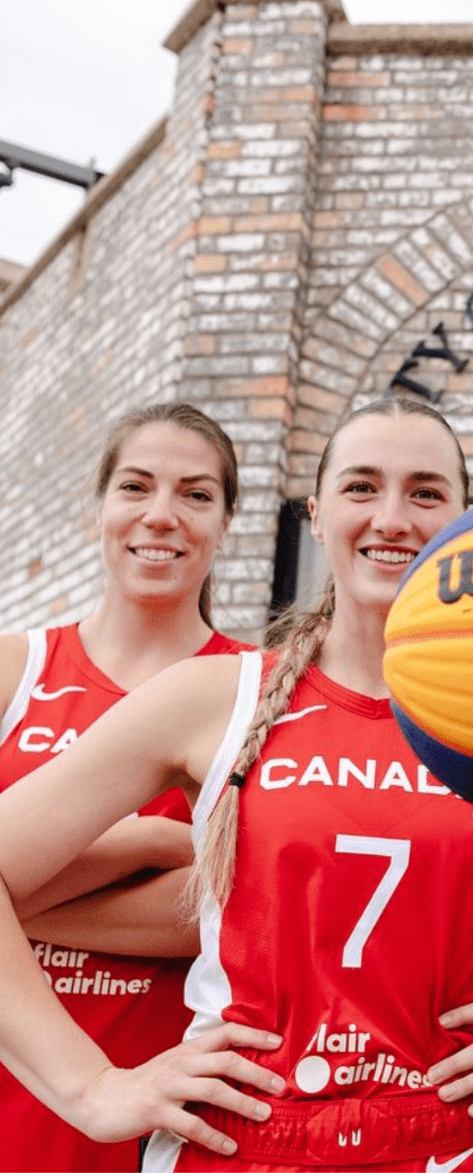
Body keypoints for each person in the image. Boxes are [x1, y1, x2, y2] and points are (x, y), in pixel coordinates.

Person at [0, 397, 473, 1172]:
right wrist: (91, 1087)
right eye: (362, 487)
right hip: (245, 1133)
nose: (393, 517)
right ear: (317, 513)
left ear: (468, 520)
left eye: (426, 492)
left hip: (456, 1139)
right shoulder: (217, 695)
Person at [0, 401, 246, 1172]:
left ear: (226, 523)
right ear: (98, 508)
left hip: (163, 1116)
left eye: (197, 494)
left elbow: (228, 912)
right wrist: (149, 841)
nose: (163, 515)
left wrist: (18, 904)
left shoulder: (261, 693)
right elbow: (195, 889)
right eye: (136, 487)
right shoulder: (14, 672)